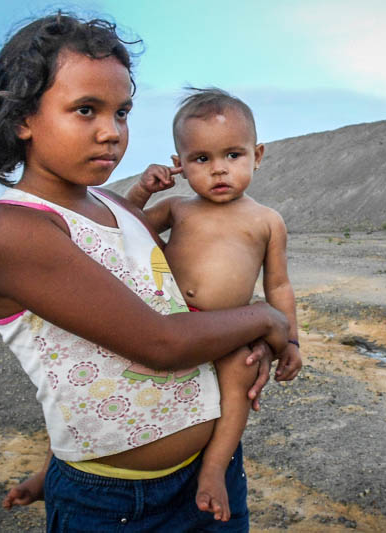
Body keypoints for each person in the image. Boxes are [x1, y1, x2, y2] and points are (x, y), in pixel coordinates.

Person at [0, 12, 289, 532]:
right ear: (22, 118)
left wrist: (255, 339)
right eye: (86, 110)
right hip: (115, 504)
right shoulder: (15, 230)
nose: (111, 132)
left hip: (208, 477)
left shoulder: (120, 208)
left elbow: (174, 305)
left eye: (122, 112)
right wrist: (265, 318)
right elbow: (161, 342)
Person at [125, 87, 302, 521]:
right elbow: (123, 234)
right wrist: (140, 192)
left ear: (257, 155)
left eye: (233, 155)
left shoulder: (266, 220)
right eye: (201, 159)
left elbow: (277, 286)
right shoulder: (177, 209)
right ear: (180, 165)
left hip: (226, 328)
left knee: (237, 383)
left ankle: (214, 470)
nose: (218, 169)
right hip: (165, 322)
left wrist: (291, 340)